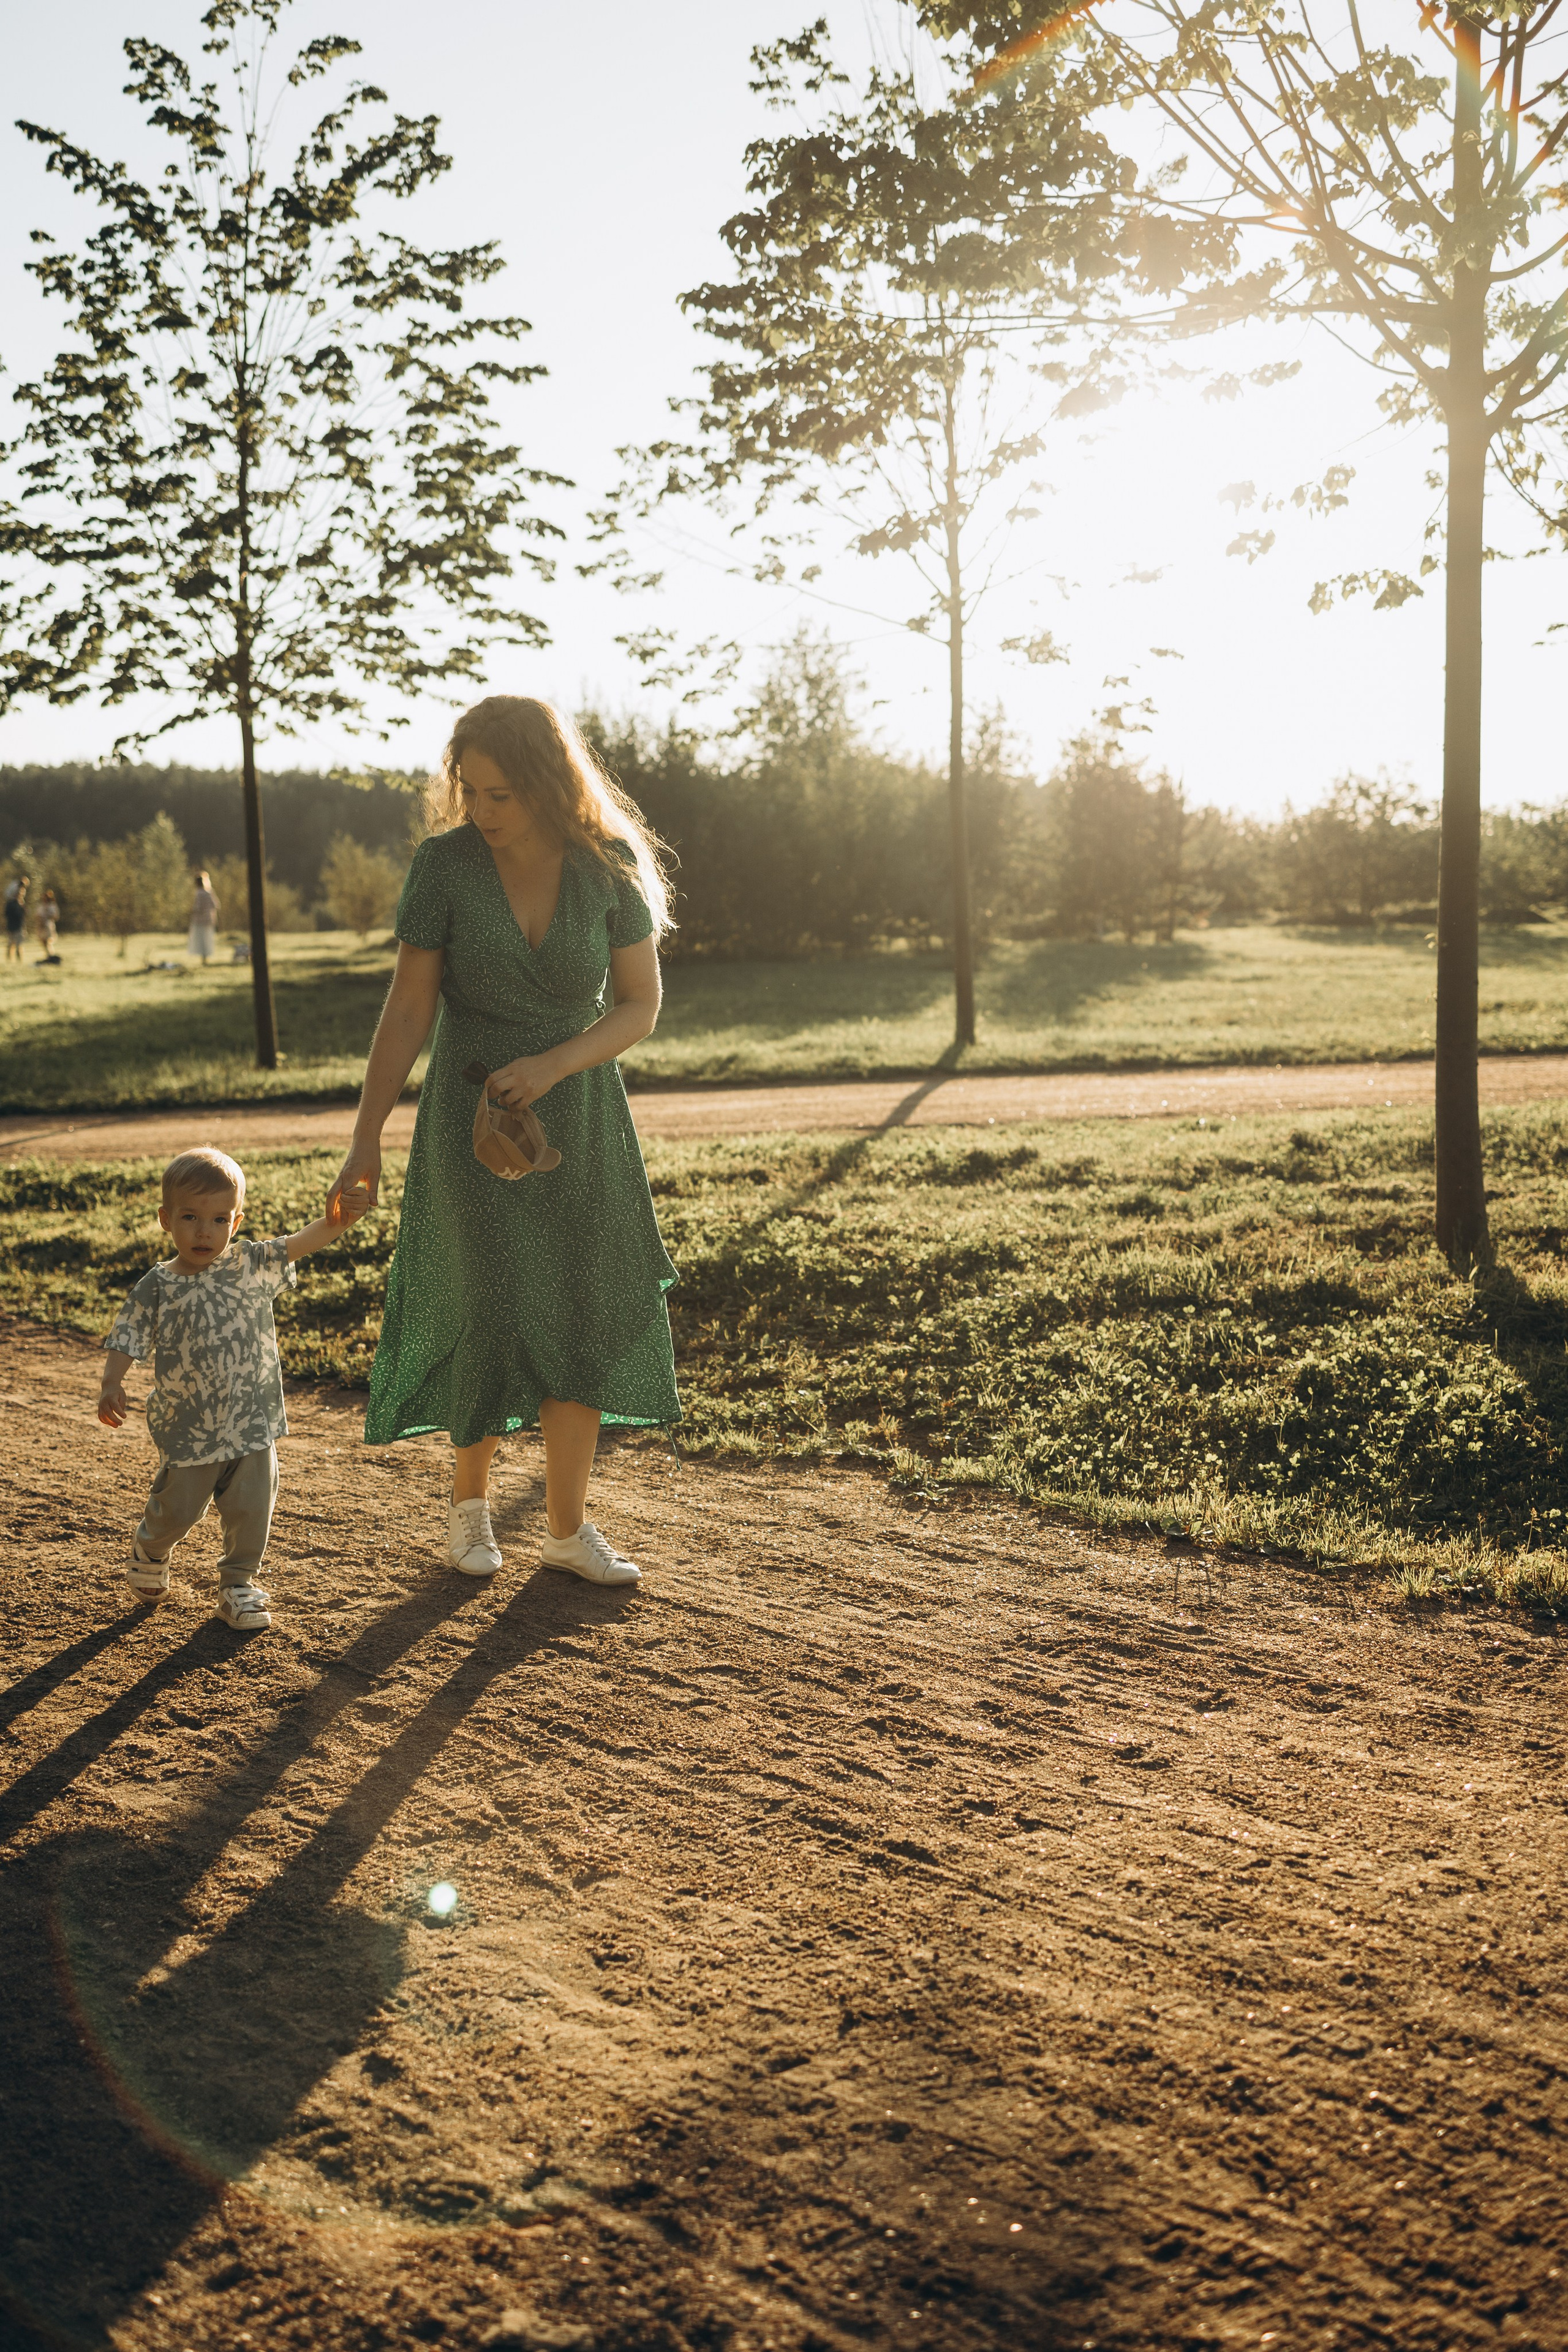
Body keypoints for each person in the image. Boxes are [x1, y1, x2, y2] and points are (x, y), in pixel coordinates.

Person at [328, 695, 679, 1588]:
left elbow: (640, 1005)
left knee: (583, 1303)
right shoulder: (443, 868)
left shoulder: (606, 869)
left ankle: (567, 1529)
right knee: (485, 1299)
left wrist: (558, 1064)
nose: (481, 812)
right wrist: (365, 1140)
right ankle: (470, 1507)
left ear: (550, 785)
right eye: (470, 791)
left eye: (501, 795)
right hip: (466, 1118)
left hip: (583, 1116)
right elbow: (408, 1008)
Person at [97, 1145, 370, 1630]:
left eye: (220, 1219)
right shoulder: (158, 1285)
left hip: (252, 1419)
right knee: (180, 1508)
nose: (205, 1231)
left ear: (236, 1222)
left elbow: (308, 1238)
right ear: (166, 1219)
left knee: (252, 1508)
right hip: (191, 1425)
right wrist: (112, 1381)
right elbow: (129, 1334)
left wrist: (343, 1217)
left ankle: (238, 1584)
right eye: (190, 1217)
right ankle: (153, 1545)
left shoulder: (251, 1264)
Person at [188, 870, 220, 964]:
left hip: (200, 920)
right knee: (207, 939)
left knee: (201, 939)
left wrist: (193, 911)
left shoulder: (199, 893)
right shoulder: (209, 892)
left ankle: (204, 959)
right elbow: (216, 905)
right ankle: (206, 958)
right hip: (209, 920)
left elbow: (197, 907)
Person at [4, 874, 29, 963]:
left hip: (18, 926)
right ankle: (10, 961)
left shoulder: (21, 903)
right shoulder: (11, 903)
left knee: (18, 945)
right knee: (11, 945)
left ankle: (19, 962)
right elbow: (7, 914)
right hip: (13, 926)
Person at [34, 886, 61, 962]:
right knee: (43, 942)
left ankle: (51, 956)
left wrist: (49, 915)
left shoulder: (52, 906)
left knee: (48, 941)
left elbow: (56, 916)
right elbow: (37, 916)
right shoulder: (41, 906)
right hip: (41, 926)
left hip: (49, 926)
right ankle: (49, 956)